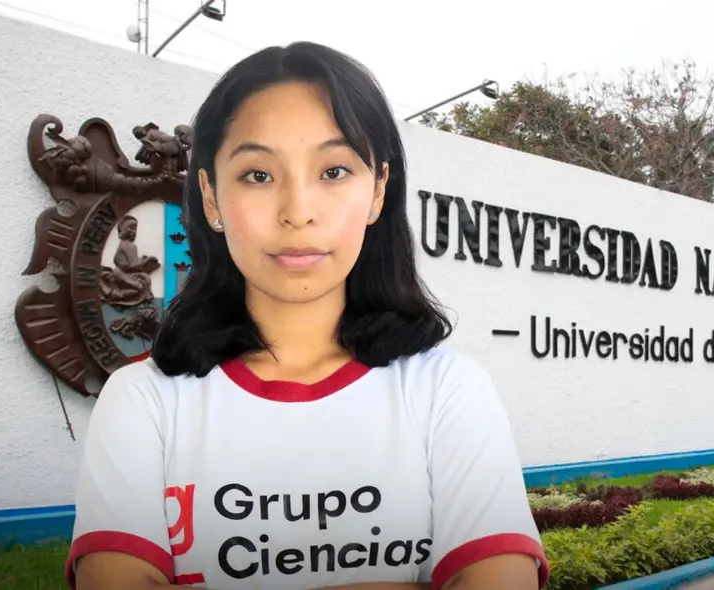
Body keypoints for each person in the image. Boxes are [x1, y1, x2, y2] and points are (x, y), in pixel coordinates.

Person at [66, 41, 549, 590]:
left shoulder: (446, 391)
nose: (298, 211)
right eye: (257, 175)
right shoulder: (144, 402)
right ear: (210, 197)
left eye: (335, 170)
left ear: (377, 191)